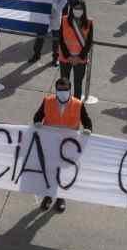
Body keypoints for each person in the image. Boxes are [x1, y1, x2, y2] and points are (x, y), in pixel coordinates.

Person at [33, 77, 93, 212]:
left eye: (65, 90)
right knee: (50, 171)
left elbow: (87, 121)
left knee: (63, 173)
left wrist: (88, 129)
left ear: (70, 90)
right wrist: (37, 122)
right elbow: (37, 116)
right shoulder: (48, 101)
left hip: (68, 146)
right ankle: (48, 196)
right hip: (51, 145)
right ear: (56, 90)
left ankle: (61, 198)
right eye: (60, 90)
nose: (62, 92)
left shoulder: (78, 104)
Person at [31, 0, 69, 65]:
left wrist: (56, 10)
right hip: (43, 12)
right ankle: (36, 54)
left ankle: (55, 58)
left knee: (56, 37)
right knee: (40, 35)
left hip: (55, 13)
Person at [58, 0, 94, 99]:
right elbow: (60, 39)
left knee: (78, 84)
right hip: (65, 58)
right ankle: (64, 102)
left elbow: (88, 42)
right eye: (75, 8)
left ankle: (76, 107)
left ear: (84, 9)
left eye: (80, 8)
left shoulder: (89, 23)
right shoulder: (64, 20)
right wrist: (68, 56)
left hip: (80, 59)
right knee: (64, 84)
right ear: (71, 9)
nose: (77, 10)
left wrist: (79, 57)